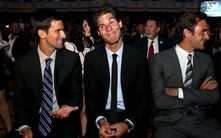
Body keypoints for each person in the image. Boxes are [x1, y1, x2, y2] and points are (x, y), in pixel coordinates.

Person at [149, 12, 221, 138]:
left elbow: (214, 96)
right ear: (187, 33)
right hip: (169, 123)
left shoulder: (206, 60)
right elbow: (160, 101)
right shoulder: (159, 60)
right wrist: (198, 93)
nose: (208, 36)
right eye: (203, 31)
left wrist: (179, 92)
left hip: (202, 121)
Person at [12, 9, 83, 138]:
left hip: (64, 121)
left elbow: (77, 93)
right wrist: (24, 127)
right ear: (42, 33)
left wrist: (68, 106)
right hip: (34, 121)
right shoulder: (22, 64)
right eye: (58, 31)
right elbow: (19, 102)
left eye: (63, 30)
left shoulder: (71, 59)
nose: (64, 35)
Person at [84, 4, 150, 138]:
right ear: (98, 33)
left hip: (131, 116)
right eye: (102, 26)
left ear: (120, 23)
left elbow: (144, 97)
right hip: (101, 115)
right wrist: (101, 121)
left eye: (111, 22)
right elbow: (91, 98)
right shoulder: (92, 58)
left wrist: (127, 124)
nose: (108, 29)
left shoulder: (137, 57)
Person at [64, 16, 96, 136]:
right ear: (78, 28)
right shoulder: (70, 46)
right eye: (85, 26)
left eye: (88, 25)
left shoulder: (90, 44)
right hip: (74, 86)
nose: (89, 27)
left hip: (87, 84)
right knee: (74, 113)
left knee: (85, 112)